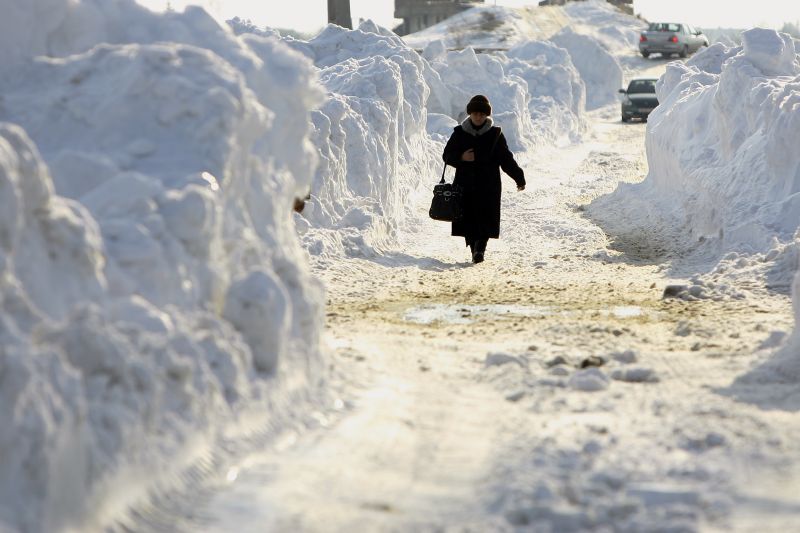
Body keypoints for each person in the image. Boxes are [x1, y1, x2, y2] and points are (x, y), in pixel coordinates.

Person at [442, 94, 525, 263]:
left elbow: (506, 159)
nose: (478, 117)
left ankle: (480, 249)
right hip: (465, 185)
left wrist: (519, 177)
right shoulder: (459, 133)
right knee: (468, 218)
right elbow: (447, 155)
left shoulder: (495, 135)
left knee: (485, 218)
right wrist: (461, 157)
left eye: (482, 114)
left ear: (487, 115)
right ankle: (474, 248)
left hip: (489, 185)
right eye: (475, 113)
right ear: (470, 114)